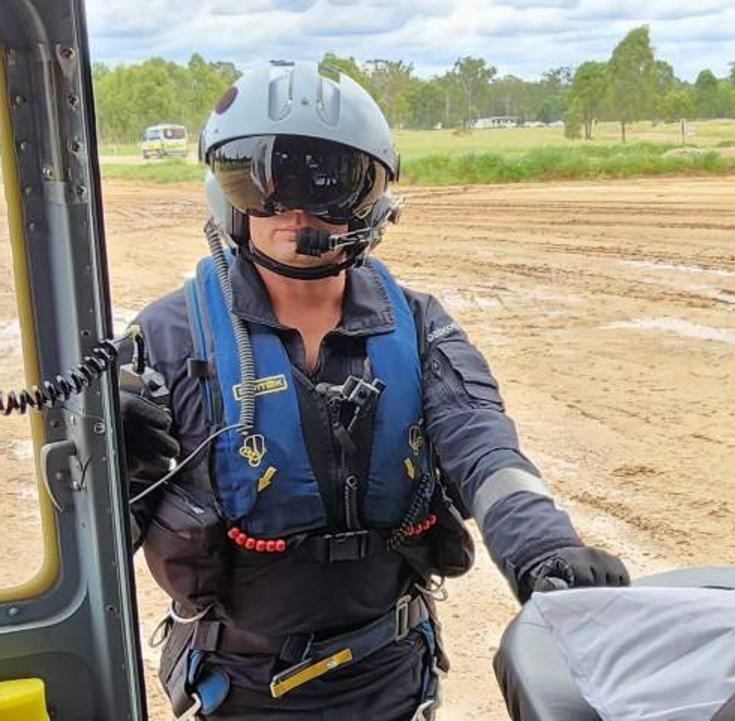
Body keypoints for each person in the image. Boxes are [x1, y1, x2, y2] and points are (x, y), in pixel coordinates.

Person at [118, 60, 629, 720]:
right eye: (259, 180)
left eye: (326, 181)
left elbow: (483, 446)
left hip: (388, 677)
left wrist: (545, 549)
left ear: (370, 200)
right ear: (226, 189)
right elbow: (99, 537)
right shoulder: (168, 336)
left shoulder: (417, 325)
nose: (291, 210)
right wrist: (109, 467)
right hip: (239, 686)